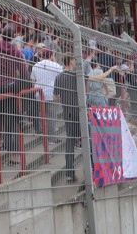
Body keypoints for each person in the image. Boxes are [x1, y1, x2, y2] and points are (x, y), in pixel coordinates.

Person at [0, 24, 30, 166]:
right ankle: (14, 157)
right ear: (14, 36)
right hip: (10, 90)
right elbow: (24, 74)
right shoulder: (15, 51)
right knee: (11, 124)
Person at [53, 54, 80, 183]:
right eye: (74, 59)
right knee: (87, 140)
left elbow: (55, 96)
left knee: (70, 142)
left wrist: (64, 100)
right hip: (78, 112)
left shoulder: (59, 77)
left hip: (67, 112)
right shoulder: (76, 76)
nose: (75, 62)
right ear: (71, 61)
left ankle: (70, 173)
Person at [31, 48, 63, 143]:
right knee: (51, 117)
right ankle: (51, 138)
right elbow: (61, 78)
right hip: (52, 93)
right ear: (52, 55)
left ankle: (42, 134)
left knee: (41, 114)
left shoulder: (36, 65)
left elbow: (33, 80)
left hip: (39, 93)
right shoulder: (56, 65)